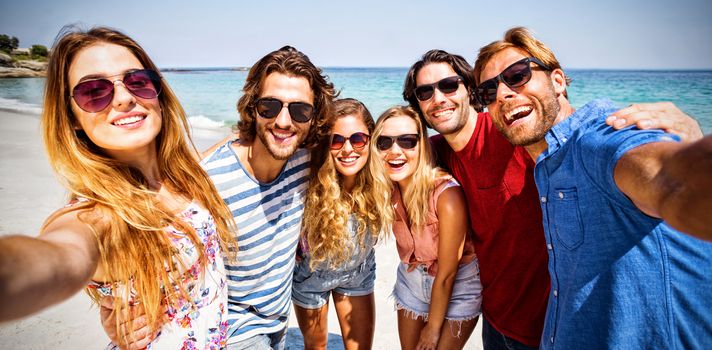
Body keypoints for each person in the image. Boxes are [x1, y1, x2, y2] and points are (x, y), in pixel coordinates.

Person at [403, 49, 705, 350]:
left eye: (448, 85)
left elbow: (587, 136)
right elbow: (384, 156)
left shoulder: (513, 131)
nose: (438, 98)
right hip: (496, 321)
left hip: (552, 326)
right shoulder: (434, 152)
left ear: (469, 91)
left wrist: (686, 131)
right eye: (425, 92)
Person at [0, 26, 238, 349]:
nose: (125, 98)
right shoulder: (99, 215)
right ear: (71, 118)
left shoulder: (182, 175)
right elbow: (61, 255)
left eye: (138, 81)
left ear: (158, 92)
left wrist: (244, 133)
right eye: (94, 91)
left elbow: (200, 157)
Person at [200, 46, 336, 349]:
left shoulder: (305, 158)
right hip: (231, 330)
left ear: (314, 118)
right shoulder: (210, 181)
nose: (285, 122)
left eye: (300, 110)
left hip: (277, 323)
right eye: (270, 107)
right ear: (252, 109)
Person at [370, 106, 482, 350]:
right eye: (384, 142)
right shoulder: (386, 188)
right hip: (412, 278)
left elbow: (447, 273)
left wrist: (432, 328)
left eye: (408, 141)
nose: (395, 151)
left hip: (457, 284)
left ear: (423, 145)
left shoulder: (446, 196)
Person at [294, 98, 384, 350]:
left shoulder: (382, 178)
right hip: (311, 279)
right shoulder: (306, 178)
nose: (347, 149)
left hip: (358, 274)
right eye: (336, 140)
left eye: (357, 139)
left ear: (370, 138)